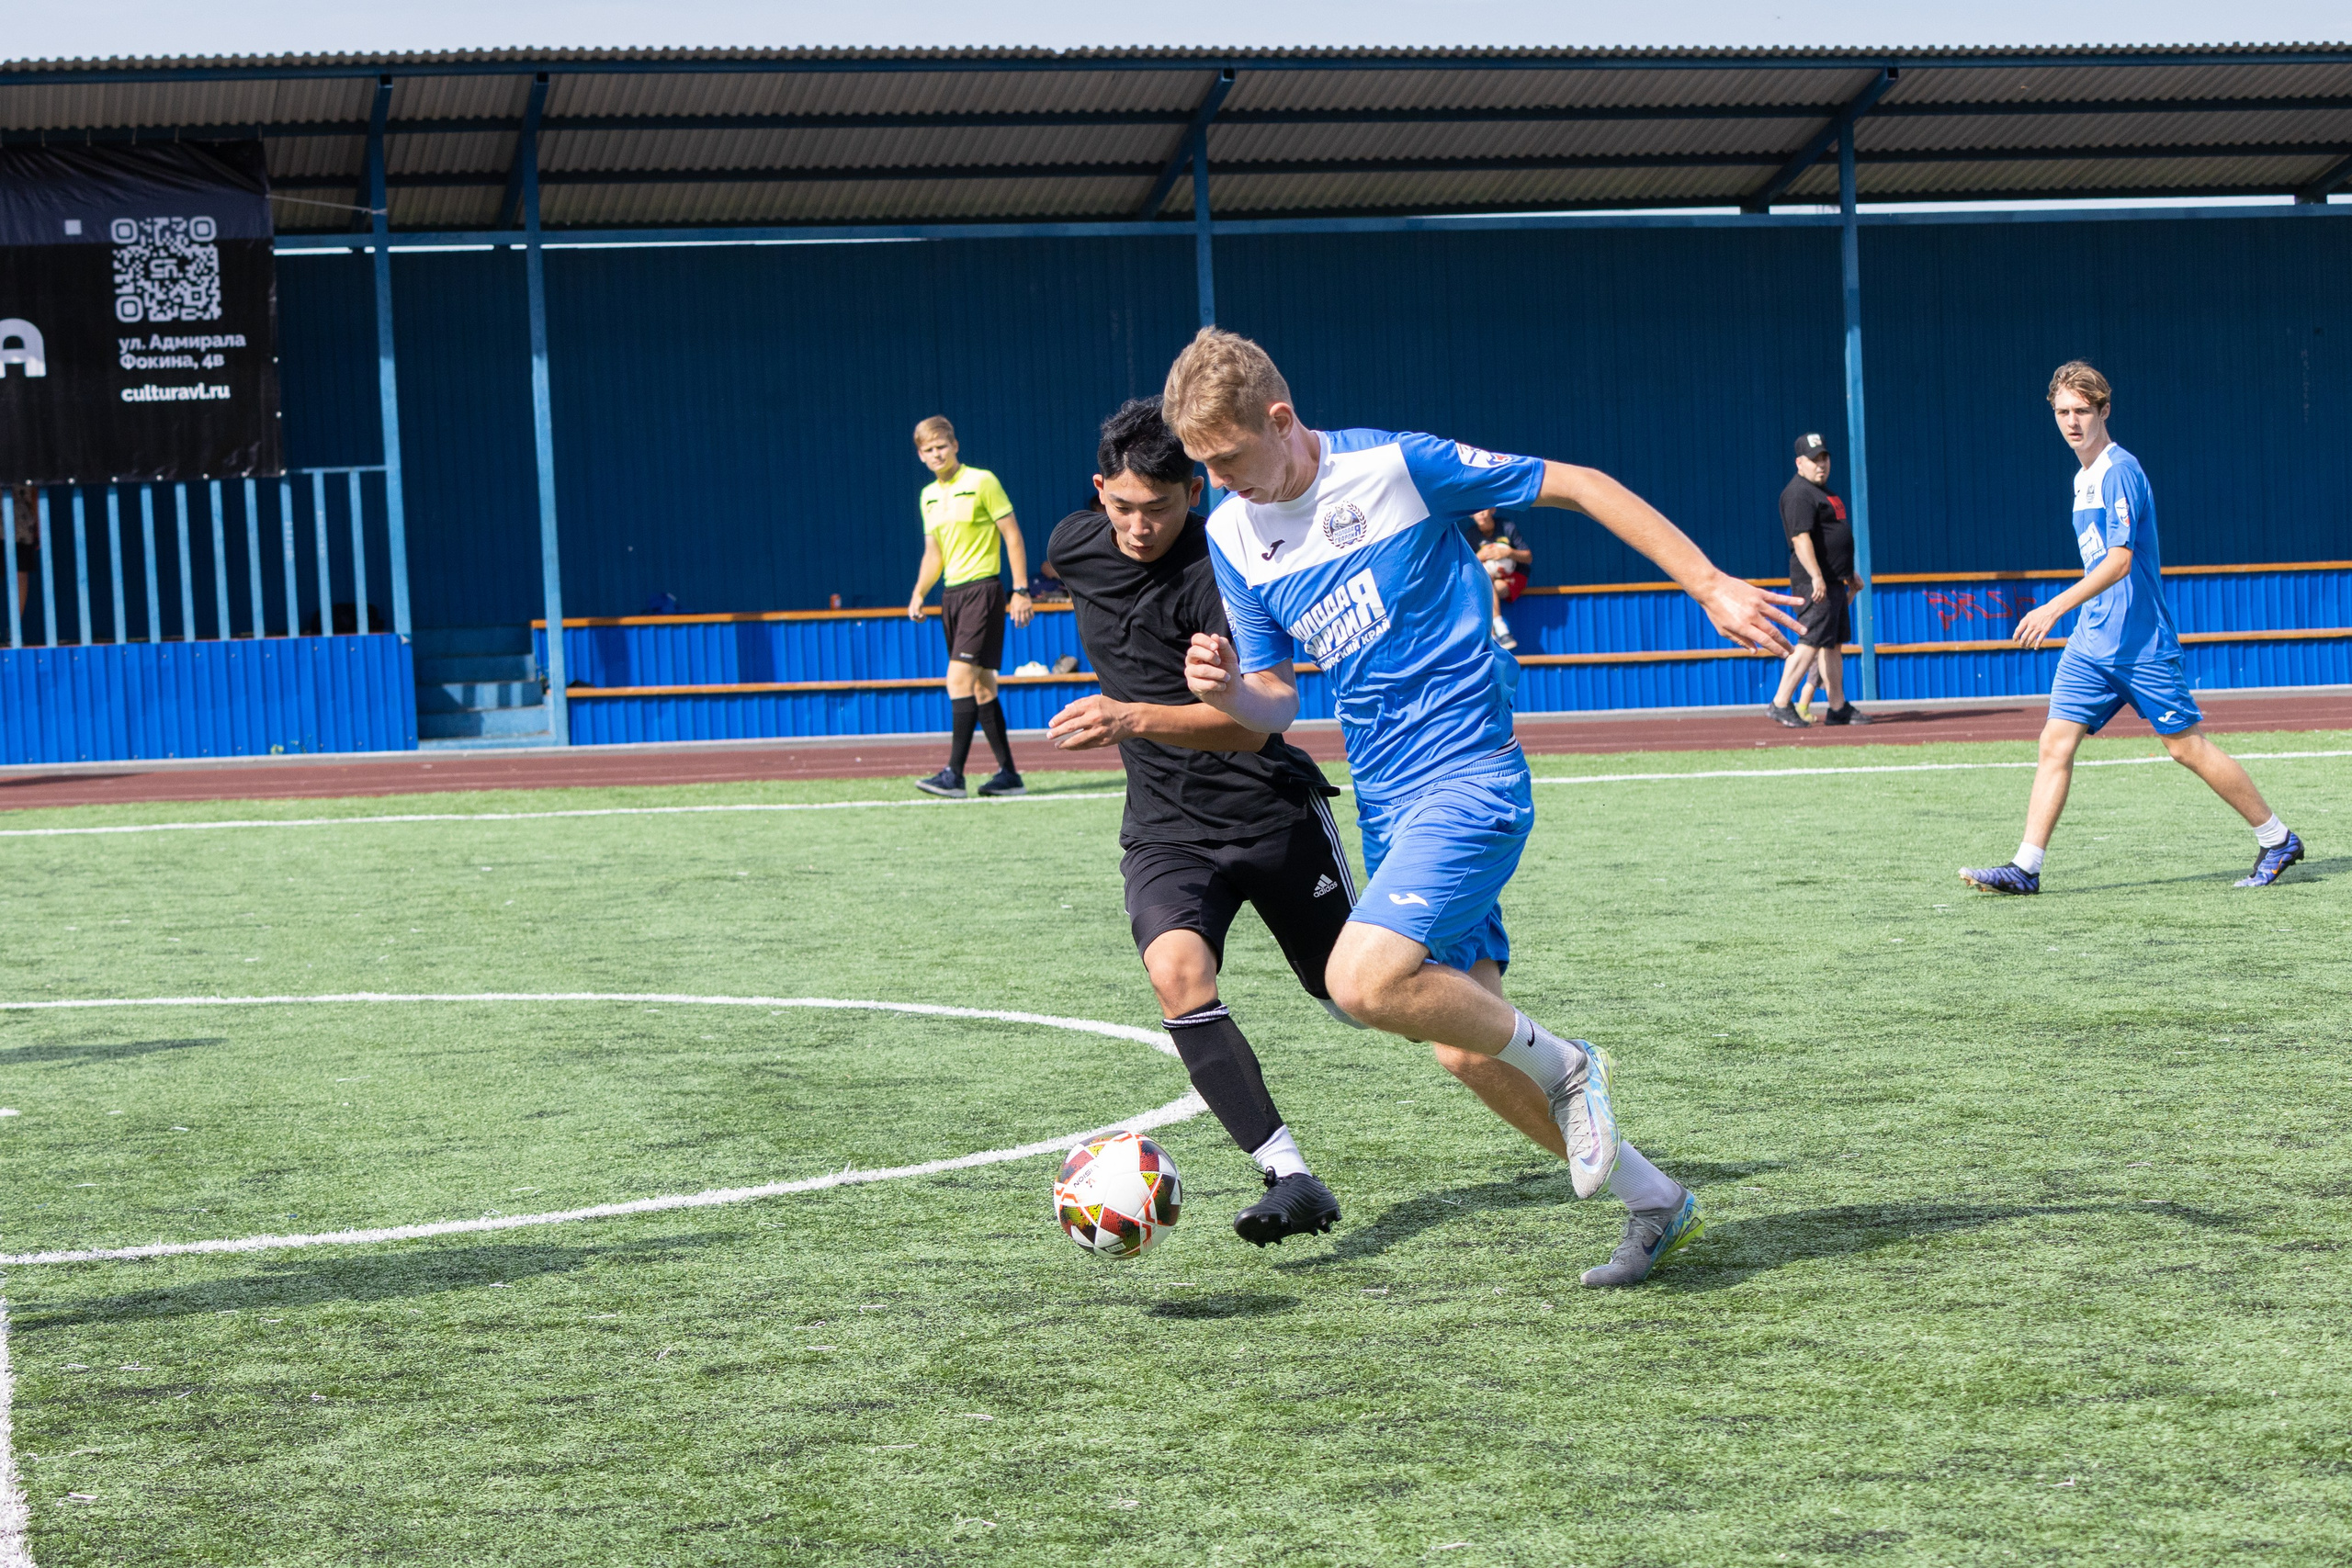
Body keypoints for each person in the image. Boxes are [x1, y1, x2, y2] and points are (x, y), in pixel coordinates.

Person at [1165, 327, 1803, 1288]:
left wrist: (1706, 582)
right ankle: (1656, 1203)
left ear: (1280, 420)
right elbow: (1276, 699)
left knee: (1362, 982)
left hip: (1469, 773)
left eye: (1227, 458)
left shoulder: (1396, 467)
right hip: (1386, 800)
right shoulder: (1229, 534)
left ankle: (1574, 1065)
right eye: (1201, 465)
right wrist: (1222, 694)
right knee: (1462, 1049)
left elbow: (1580, 483)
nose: (1218, 483)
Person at [1044, 398, 1352, 1245]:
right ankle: (1290, 1175)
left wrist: (1129, 715)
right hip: (1166, 830)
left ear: (1194, 495)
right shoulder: (1073, 546)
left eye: (1162, 507)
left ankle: (1526, 1044)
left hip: (1267, 812)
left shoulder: (1225, 568)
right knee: (1178, 976)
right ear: (1098, 490)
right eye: (1123, 507)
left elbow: (1257, 725)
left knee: (1360, 996)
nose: (1140, 527)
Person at [1962, 363, 2304, 894]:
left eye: (2082, 411)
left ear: (2104, 411)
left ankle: (2276, 837)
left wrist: (2054, 608)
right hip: (2092, 643)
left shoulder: (2121, 470)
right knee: (2055, 743)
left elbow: (2120, 561)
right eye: (2062, 412)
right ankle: (2026, 868)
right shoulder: (2082, 478)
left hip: (2139, 643)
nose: (2072, 422)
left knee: (2185, 747)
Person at [907, 415, 1032, 799]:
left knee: (957, 678)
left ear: (955, 445)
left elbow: (1012, 535)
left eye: (941, 446)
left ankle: (953, 776)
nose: (936, 454)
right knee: (980, 686)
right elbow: (934, 553)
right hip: (951, 596)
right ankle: (1009, 775)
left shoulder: (982, 481)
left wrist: (1021, 590)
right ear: (920, 456)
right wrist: (918, 592)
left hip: (983, 590)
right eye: (928, 450)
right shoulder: (928, 496)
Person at [1766, 434, 1868, 728]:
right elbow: (1801, 539)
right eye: (1814, 460)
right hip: (1815, 583)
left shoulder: (1824, 493)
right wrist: (1816, 577)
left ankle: (1838, 707)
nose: (1821, 465)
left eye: (1824, 458)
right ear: (1800, 463)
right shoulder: (1798, 493)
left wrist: (1847, 574)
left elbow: (1833, 539)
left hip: (1833, 580)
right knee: (1810, 640)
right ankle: (1781, 702)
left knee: (1832, 644)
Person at [1465, 507, 1530, 649]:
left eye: (1484, 509)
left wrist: (1508, 552)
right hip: (1490, 580)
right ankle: (1501, 632)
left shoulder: (1507, 527)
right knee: (1484, 583)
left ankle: (1493, 636)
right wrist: (1479, 557)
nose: (1480, 513)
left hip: (1514, 577)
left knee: (1484, 590)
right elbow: (1465, 567)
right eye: (1476, 510)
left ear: (1493, 509)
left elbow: (1528, 557)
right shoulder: (1471, 535)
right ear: (1470, 514)